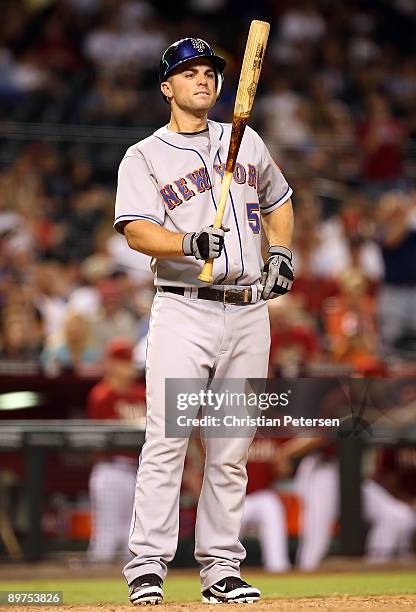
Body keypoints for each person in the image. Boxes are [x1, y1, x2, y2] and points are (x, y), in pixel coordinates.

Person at [114, 37, 294, 605]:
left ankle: (221, 568)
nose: (203, 80)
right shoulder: (144, 156)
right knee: (167, 439)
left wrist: (282, 251)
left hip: (248, 310)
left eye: (210, 72)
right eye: (188, 73)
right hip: (183, 308)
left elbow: (278, 200)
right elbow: (136, 229)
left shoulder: (247, 140)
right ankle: (147, 565)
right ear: (166, 87)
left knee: (232, 446)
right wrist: (185, 240)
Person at [86, 339, 146, 563]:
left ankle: (123, 594)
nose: (128, 367)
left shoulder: (142, 393)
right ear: (111, 364)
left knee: (131, 539)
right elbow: (106, 436)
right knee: (106, 537)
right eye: (123, 362)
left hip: (138, 471)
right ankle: (91, 593)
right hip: (110, 469)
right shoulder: (102, 395)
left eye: (129, 362)